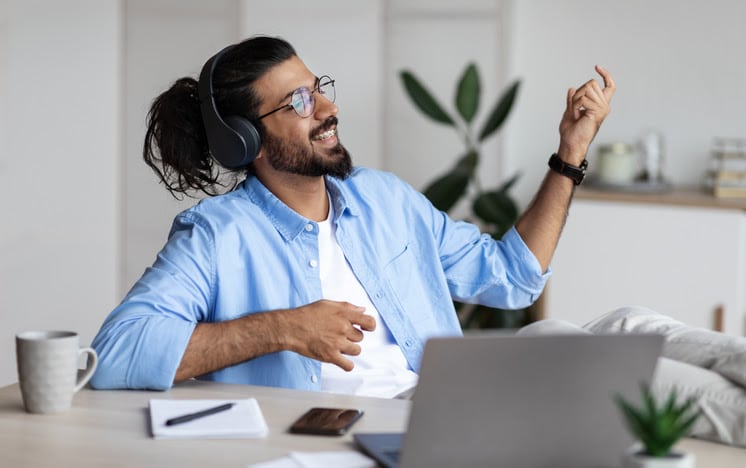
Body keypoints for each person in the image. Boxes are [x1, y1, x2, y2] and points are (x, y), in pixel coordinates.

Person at [90, 35, 615, 397]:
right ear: (244, 141)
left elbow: (513, 279)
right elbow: (113, 353)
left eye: (318, 89)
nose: (327, 110)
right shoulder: (217, 235)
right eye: (298, 102)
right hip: (348, 436)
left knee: (622, 325)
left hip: (446, 407)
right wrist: (282, 329)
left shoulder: (383, 199)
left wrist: (569, 155)